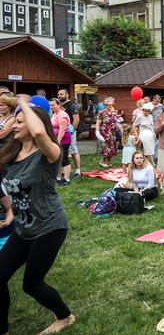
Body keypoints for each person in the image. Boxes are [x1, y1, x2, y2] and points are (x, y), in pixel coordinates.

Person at [0, 99, 75, 334]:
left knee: (31, 284)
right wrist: (10, 211)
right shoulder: (10, 154)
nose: (13, 126)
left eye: (19, 122)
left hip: (49, 227)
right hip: (23, 228)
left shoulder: (48, 155)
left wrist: (23, 102)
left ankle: (65, 316)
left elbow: (41, 132)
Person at [57, 88, 81, 179]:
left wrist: (72, 131)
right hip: (62, 132)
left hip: (70, 132)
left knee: (74, 150)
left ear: (67, 95)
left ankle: (78, 170)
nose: (59, 96)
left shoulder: (72, 105)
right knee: (64, 151)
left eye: (61, 94)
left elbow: (76, 119)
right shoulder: (59, 105)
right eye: (58, 94)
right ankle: (64, 170)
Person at [49, 99, 72, 186]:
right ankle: (58, 177)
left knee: (64, 159)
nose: (51, 107)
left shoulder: (62, 115)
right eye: (50, 105)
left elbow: (62, 130)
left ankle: (67, 179)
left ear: (59, 105)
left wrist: (58, 142)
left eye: (53, 105)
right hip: (56, 139)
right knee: (57, 159)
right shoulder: (54, 114)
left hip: (64, 140)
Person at [95, 97, 120, 167]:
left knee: (113, 147)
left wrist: (121, 129)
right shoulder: (101, 113)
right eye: (108, 105)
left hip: (113, 132)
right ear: (105, 105)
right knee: (107, 147)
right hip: (105, 132)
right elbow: (98, 124)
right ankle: (102, 161)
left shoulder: (113, 112)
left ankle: (108, 162)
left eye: (111, 105)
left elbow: (116, 122)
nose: (110, 106)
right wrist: (97, 131)